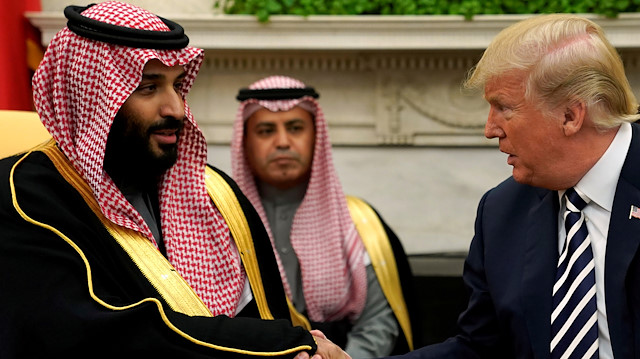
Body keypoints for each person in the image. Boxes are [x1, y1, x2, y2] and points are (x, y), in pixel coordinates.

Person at [0, 3, 350, 358]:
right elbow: (106, 335)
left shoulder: (216, 196)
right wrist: (281, 345)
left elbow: (264, 314)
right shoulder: (22, 197)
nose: (177, 109)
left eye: (178, 85)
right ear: (91, 99)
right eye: (149, 88)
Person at [385, 13, 640, 359]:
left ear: (570, 116)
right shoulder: (501, 211)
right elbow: (481, 349)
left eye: (503, 108)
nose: (490, 129)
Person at [230, 75, 419, 358]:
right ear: (245, 142)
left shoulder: (360, 222)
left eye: (295, 128)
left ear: (316, 137)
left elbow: (379, 321)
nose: (282, 142)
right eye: (266, 130)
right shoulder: (219, 224)